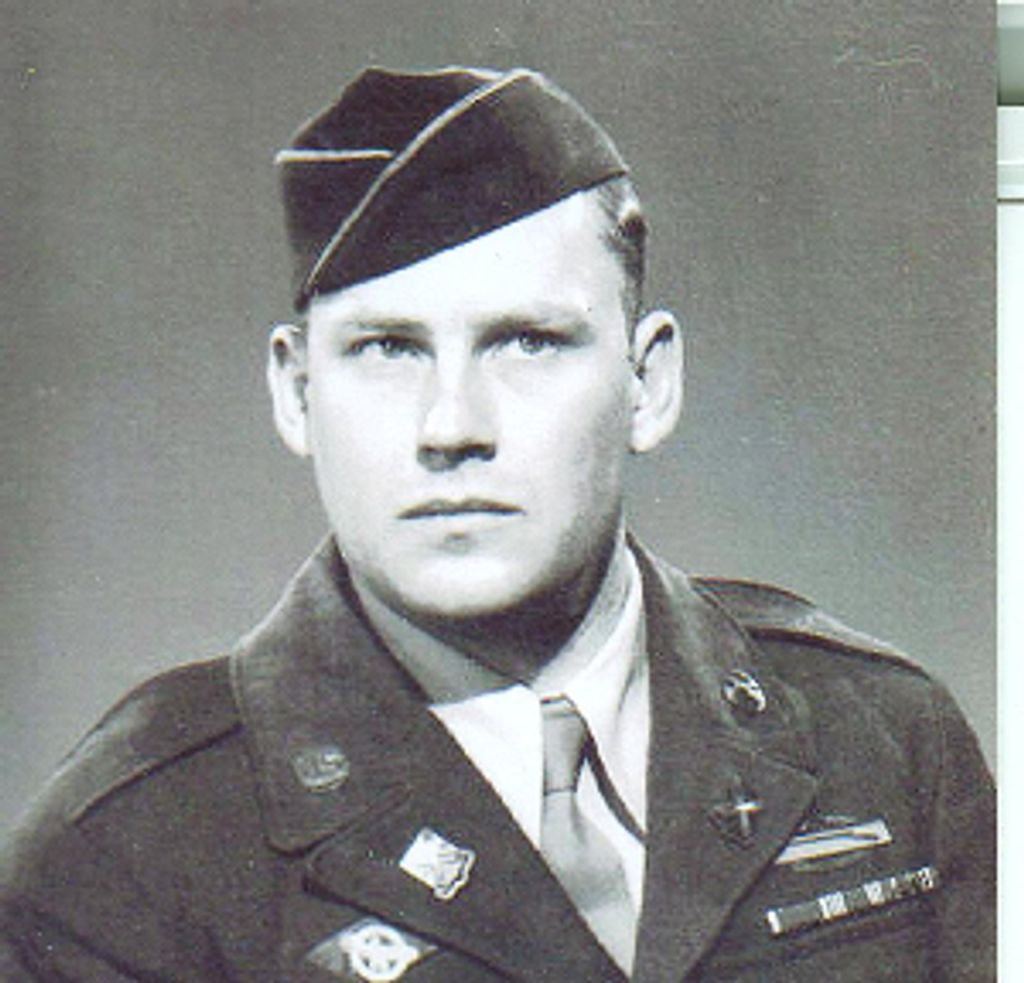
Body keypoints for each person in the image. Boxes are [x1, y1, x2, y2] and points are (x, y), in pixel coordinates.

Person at [0, 66, 994, 982]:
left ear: (647, 384)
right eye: (388, 349)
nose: (452, 427)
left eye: (527, 341)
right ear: (297, 395)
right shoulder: (129, 852)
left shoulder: (883, 738)